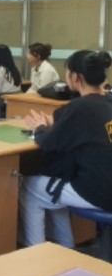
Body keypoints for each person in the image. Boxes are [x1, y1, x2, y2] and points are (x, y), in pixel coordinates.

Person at [19, 50, 112, 248]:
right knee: (54, 188)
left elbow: (48, 142)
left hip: (100, 191)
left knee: (30, 187)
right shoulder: (107, 101)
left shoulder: (80, 107)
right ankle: (65, 247)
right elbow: (74, 121)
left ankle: (35, 253)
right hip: (106, 182)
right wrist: (53, 122)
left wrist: (40, 128)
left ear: (76, 77)